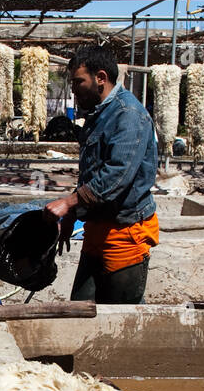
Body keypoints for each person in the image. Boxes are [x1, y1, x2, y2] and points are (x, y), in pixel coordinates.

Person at [42, 45, 158, 304]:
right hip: (99, 227)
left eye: (78, 82)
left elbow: (115, 178)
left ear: (101, 78)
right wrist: (74, 213)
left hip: (125, 230)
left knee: (118, 318)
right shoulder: (100, 114)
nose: (74, 90)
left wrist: (68, 203)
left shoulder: (128, 116)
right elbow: (93, 173)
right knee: (82, 309)